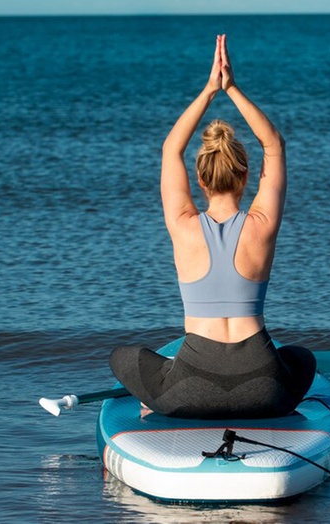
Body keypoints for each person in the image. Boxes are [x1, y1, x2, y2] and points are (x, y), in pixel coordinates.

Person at [109, 35, 316, 419]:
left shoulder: (182, 225)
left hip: (189, 387)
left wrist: (209, 91)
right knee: (302, 358)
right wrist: (232, 88)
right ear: (246, 176)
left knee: (126, 357)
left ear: (199, 180)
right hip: (265, 389)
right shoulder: (262, 225)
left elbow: (171, 148)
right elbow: (275, 145)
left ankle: (151, 404)